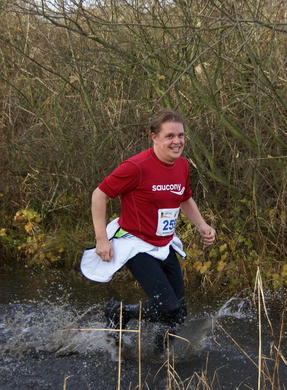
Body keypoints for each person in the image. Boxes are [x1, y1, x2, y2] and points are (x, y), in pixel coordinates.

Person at [80, 108, 216, 350]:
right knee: (167, 306)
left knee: (178, 313)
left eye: (181, 135)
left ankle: (160, 356)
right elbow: (99, 194)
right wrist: (101, 239)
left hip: (164, 243)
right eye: (170, 136)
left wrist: (202, 225)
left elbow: (184, 198)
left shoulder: (182, 165)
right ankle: (118, 312)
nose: (177, 142)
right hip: (135, 243)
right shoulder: (136, 167)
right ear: (154, 137)